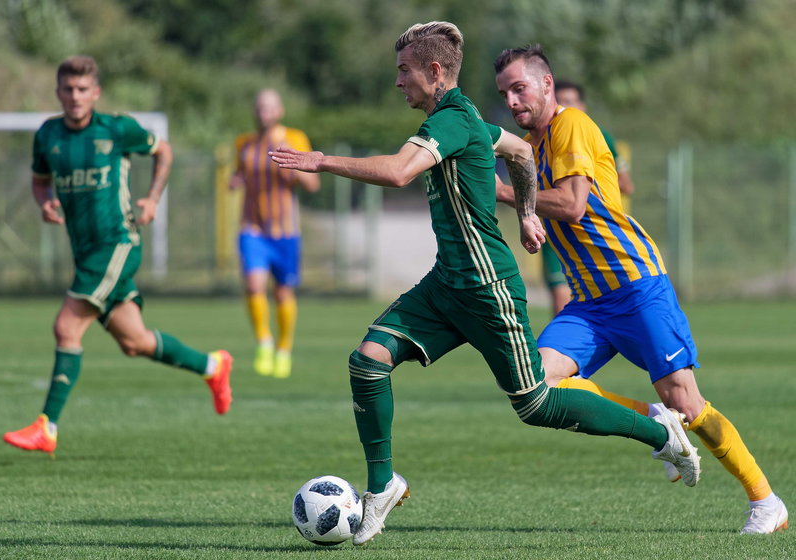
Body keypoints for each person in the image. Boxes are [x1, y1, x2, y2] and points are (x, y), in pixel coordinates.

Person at [271, 22, 701, 546]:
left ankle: (662, 432)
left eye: (404, 71)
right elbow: (519, 153)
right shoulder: (467, 117)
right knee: (367, 360)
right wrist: (525, 213)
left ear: (434, 72)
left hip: (488, 287)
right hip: (447, 283)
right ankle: (382, 487)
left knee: (536, 405)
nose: (398, 82)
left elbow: (400, 172)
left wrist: (321, 161)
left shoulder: (452, 120)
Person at [493, 44, 787, 534]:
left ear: (547, 84)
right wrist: (524, 216)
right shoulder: (532, 144)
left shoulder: (571, 125)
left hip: (636, 286)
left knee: (688, 404)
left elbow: (572, 205)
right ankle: (657, 425)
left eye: (519, 87)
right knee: (537, 384)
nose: (512, 100)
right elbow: (541, 205)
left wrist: (500, 193)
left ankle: (766, 501)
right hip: (590, 302)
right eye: (504, 93)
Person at [3, 55, 233, 456]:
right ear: (58, 92)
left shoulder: (116, 128)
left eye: (82, 89)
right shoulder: (48, 136)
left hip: (118, 242)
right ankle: (213, 366)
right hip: (86, 251)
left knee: (66, 328)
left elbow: (164, 151)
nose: (74, 96)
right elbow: (40, 181)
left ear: (96, 93)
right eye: (67, 89)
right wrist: (44, 203)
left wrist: (152, 198)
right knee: (135, 341)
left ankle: (47, 426)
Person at [230, 89, 320, 379]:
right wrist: (237, 179)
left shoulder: (294, 139)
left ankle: (284, 348)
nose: (262, 113)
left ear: (279, 111)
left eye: (268, 108)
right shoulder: (244, 143)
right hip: (252, 228)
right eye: (258, 108)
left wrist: (293, 172)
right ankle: (264, 342)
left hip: (285, 231)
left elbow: (313, 185)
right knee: (254, 285)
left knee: (282, 292)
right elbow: (240, 172)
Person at [554, 80, 635, 212]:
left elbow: (627, 186)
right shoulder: (546, 139)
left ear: (582, 106)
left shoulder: (602, 137)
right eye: (558, 102)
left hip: (601, 221)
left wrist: (581, 186)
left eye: (569, 102)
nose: (563, 108)